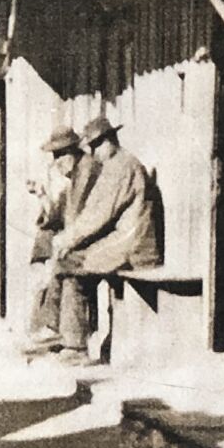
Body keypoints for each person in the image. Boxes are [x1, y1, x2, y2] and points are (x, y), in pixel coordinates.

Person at [49, 114, 159, 360]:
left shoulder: (122, 167)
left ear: (109, 141)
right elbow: (93, 213)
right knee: (71, 258)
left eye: (96, 146)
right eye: (91, 147)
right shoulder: (115, 166)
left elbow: (99, 215)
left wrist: (68, 240)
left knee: (71, 264)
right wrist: (69, 238)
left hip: (133, 244)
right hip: (123, 239)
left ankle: (75, 346)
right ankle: (66, 335)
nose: (93, 152)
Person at [23, 125, 92, 348]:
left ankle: (56, 330)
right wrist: (42, 195)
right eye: (54, 157)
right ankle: (43, 328)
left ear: (71, 153)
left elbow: (91, 218)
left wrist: (66, 241)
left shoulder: (88, 173)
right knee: (46, 255)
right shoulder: (71, 183)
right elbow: (54, 217)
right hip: (75, 241)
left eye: (59, 156)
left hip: (92, 241)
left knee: (61, 264)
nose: (57, 164)